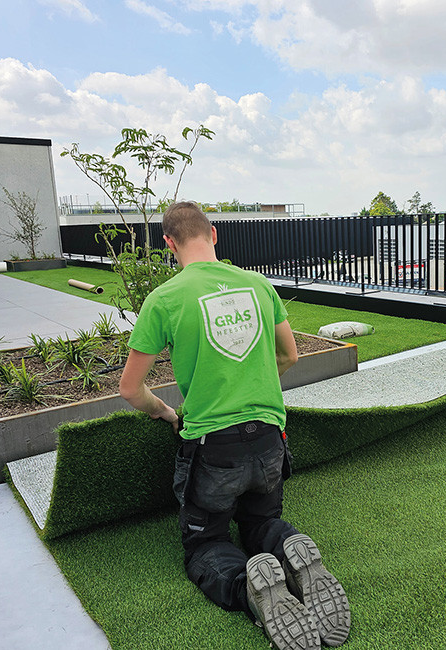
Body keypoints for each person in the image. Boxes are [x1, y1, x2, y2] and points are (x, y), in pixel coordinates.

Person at [119, 201, 350, 650]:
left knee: (205, 545)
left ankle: (249, 590)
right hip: (269, 440)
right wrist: (257, 391)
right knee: (263, 520)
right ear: (215, 235)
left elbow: (130, 388)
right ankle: (293, 549)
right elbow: (290, 356)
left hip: (213, 449)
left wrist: (165, 413)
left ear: (169, 244)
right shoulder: (258, 285)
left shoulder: (164, 299)